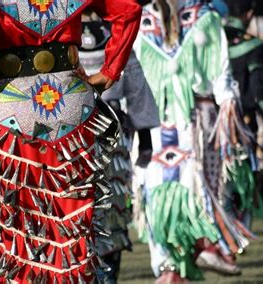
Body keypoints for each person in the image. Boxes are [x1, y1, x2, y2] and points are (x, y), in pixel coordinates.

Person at [0, 0, 142, 282]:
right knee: (72, 225)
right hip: (72, 105)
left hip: (8, 109)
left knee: (18, 227)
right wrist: (109, 71)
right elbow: (129, 10)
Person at [135, 0, 253, 282]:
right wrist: (229, 110)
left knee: (160, 193)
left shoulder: (141, 19)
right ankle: (205, 244)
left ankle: (170, 267)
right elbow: (221, 73)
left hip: (155, 124)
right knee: (199, 188)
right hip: (198, 120)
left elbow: (132, 75)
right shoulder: (204, 16)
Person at [79, 10, 161, 283]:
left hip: (109, 134)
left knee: (110, 209)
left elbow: (136, 84)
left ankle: (107, 277)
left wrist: (145, 136)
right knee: (80, 209)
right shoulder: (62, 31)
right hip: (72, 136)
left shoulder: (113, 31)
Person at [222, 0, 263, 228]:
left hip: (209, 123)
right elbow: (260, 90)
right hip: (243, 124)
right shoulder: (255, 47)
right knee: (243, 173)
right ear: (250, 13)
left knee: (218, 175)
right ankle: (240, 227)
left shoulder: (212, 41)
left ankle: (222, 226)